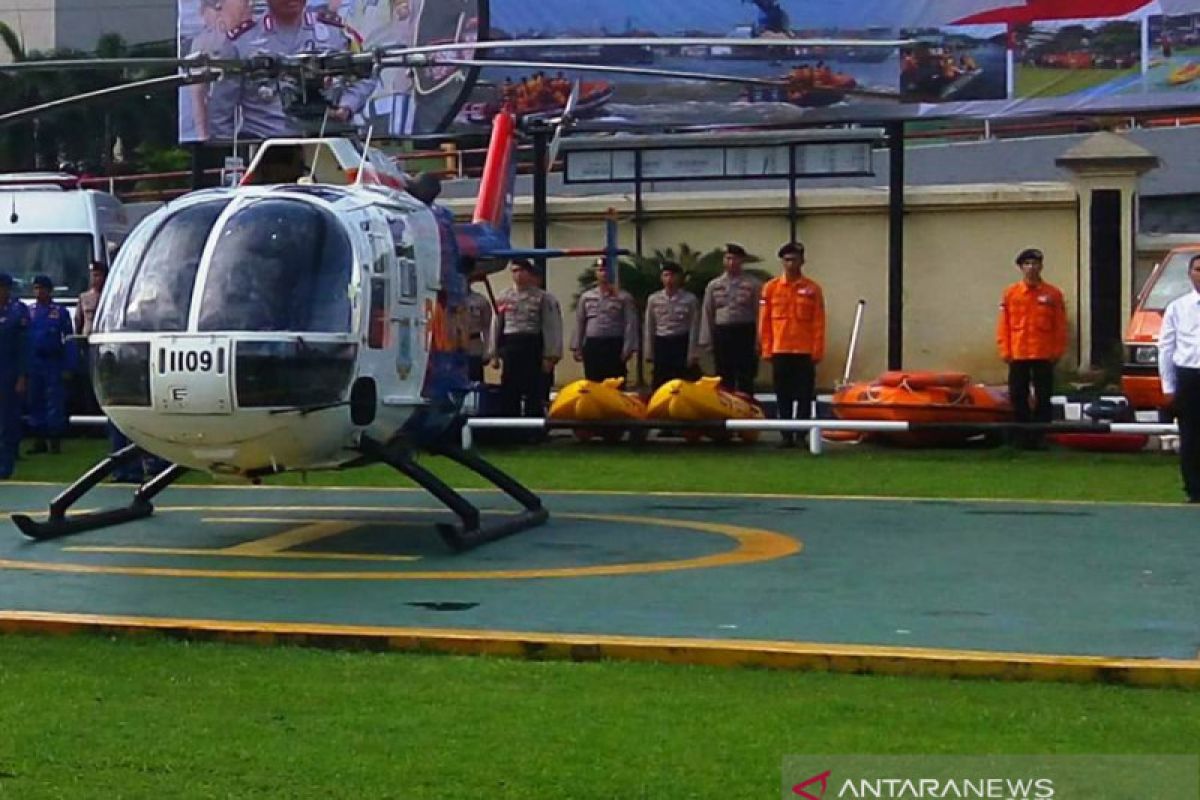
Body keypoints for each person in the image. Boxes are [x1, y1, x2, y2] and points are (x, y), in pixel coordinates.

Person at [208, 0, 378, 141]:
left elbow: (367, 73)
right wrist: (231, 156)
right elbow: (220, 113)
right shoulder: (242, 41)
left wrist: (347, 105)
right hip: (266, 144)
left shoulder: (334, 32)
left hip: (326, 141)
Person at [996, 247, 1067, 449]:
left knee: (1044, 395)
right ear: (1020, 268)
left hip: (1044, 353)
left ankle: (1041, 435)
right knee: (1018, 395)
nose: (1031, 267)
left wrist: (1057, 351)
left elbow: (1059, 325)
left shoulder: (1052, 294)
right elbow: (1004, 324)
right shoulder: (1011, 294)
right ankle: (1022, 435)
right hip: (1018, 353)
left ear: (1041, 266)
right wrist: (1005, 350)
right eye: (1026, 264)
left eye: (1034, 263)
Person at [759, 242, 825, 448]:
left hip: (804, 350)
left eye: (794, 259)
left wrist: (817, 350)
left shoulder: (812, 289)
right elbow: (765, 321)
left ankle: (801, 435)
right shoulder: (770, 288)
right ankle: (786, 434)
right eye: (786, 260)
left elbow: (819, 321)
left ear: (802, 261)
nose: (790, 264)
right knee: (783, 394)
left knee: (805, 394)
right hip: (780, 349)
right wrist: (766, 348)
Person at [489, 259, 562, 418]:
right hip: (511, 345)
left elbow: (551, 326)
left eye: (522, 271)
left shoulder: (542, 297)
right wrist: (493, 353)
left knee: (533, 387)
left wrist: (550, 355)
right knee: (509, 387)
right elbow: (496, 324)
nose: (518, 275)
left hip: (532, 344)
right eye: (514, 271)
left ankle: (532, 428)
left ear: (529, 273)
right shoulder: (504, 296)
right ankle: (510, 425)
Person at [1158, 253, 1200, 503]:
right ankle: (1194, 489)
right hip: (1189, 377)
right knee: (1191, 436)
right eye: (1198, 269)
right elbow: (1166, 347)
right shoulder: (1177, 307)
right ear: (1190, 274)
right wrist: (1168, 385)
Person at [699, 243, 762, 395]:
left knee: (745, 376)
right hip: (722, 334)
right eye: (728, 258)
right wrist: (706, 340)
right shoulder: (714, 286)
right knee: (723, 375)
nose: (731, 262)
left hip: (745, 332)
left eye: (735, 259)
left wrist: (760, 340)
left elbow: (760, 313)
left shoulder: (753, 284)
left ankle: (746, 411)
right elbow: (707, 312)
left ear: (742, 261)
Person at [26, 275, 76, 455]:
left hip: (53, 361)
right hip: (34, 362)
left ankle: (55, 440)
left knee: (54, 401)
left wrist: (70, 365)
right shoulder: (29, 311)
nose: (39, 292)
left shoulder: (59, 312)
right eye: (36, 288)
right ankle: (39, 439)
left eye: (42, 288)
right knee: (35, 400)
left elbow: (68, 340)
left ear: (49, 290)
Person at [572, 259, 639, 384]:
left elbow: (630, 324)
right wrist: (577, 346)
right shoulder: (587, 297)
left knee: (615, 383)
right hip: (593, 345)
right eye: (600, 270)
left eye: (606, 270)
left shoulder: (623, 297)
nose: (603, 273)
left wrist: (628, 348)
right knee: (593, 383)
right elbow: (580, 321)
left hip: (614, 345)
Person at [644, 261, 700, 390]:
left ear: (679, 278)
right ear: (661, 278)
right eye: (666, 275)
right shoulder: (654, 299)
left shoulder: (689, 299)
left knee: (683, 383)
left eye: (672, 276)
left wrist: (692, 352)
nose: (669, 279)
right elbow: (649, 326)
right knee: (660, 383)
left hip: (681, 342)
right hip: (662, 343)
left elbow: (694, 327)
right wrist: (649, 352)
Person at [0, 273, 29, 479]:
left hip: (10, 373)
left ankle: (6, 465)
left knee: (8, 421)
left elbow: (24, 348)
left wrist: (22, 377)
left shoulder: (17, 312)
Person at [74, 260, 107, 415]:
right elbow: (79, 321)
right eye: (94, 275)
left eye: (99, 275)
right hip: (88, 344)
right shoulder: (84, 297)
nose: (96, 279)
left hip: (104, 345)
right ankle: (89, 414)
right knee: (88, 382)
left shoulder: (109, 296)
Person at [464, 279, 493, 383]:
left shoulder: (480, 301)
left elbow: (487, 327)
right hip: (451, 347)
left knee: (474, 381)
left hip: (473, 346)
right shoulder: (446, 300)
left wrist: (487, 350)